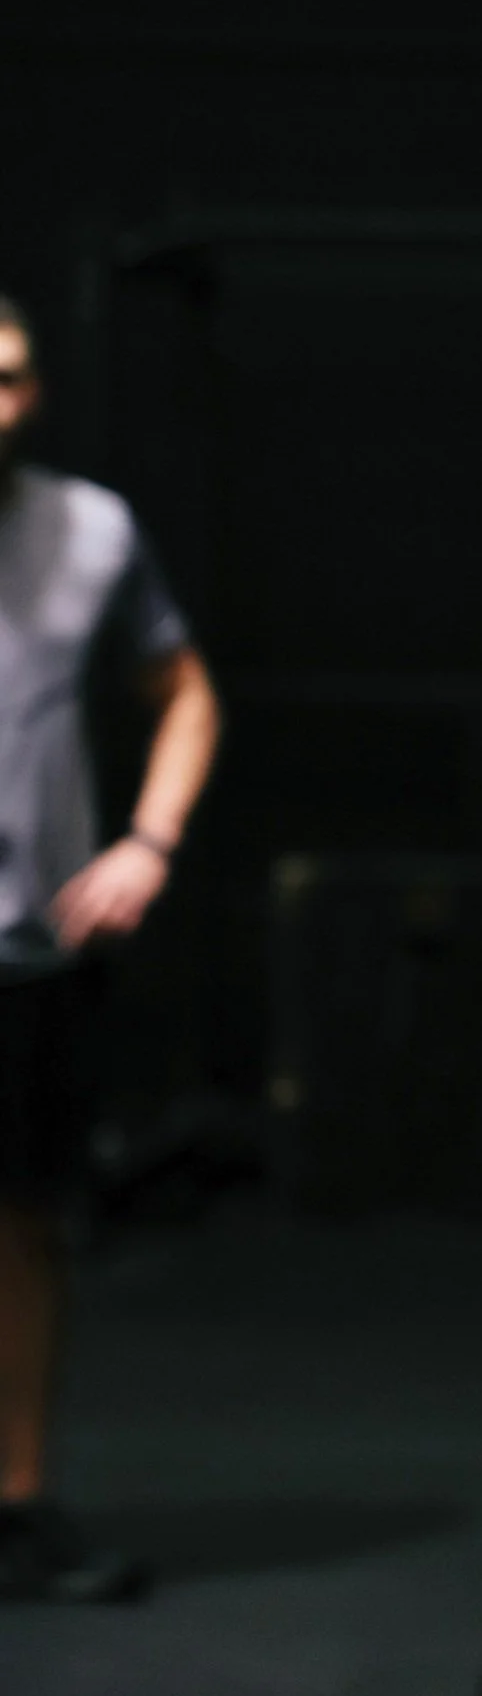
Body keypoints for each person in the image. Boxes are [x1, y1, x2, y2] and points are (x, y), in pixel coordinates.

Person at [0, 290, 222, 1601]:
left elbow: (184, 689)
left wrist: (147, 839)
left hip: (28, 954)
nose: (2, 403)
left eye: (17, 375)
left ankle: (17, 1502)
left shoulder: (89, 528)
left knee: (25, 1228)